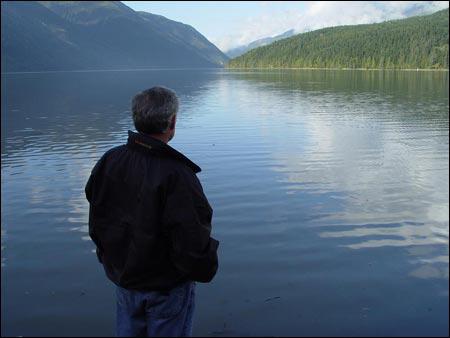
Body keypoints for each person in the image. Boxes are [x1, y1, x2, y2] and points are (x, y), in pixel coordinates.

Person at [85, 86, 219, 337]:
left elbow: (96, 216)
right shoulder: (177, 174)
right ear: (173, 122)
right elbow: (192, 236)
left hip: (125, 280)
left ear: (136, 119)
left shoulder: (110, 160)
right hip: (167, 288)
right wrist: (205, 269)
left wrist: (109, 257)